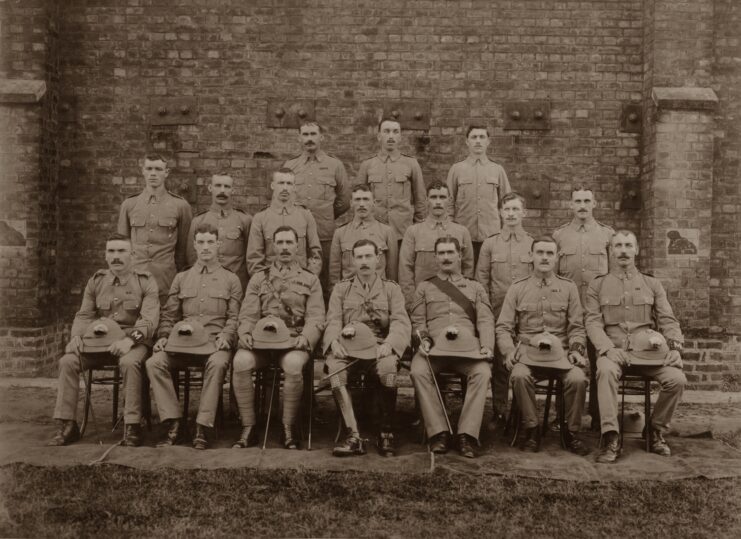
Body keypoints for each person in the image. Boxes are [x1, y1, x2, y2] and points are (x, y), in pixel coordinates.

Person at [48, 234, 159, 447]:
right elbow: (84, 315)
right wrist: (77, 337)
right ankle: (67, 424)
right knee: (67, 362)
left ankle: (132, 425)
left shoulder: (145, 281)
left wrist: (129, 341)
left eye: (121, 251)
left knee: (130, 362)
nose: (116, 257)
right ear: (106, 255)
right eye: (111, 252)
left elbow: (148, 321)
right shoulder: (97, 281)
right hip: (98, 342)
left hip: (131, 342)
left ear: (132, 255)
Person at [585, 230, 686, 463]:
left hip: (649, 354)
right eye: (618, 245)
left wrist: (675, 349)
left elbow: (668, 319)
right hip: (614, 352)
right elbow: (592, 323)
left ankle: (655, 429)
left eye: (628, 245)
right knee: (606, 371)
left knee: (677, 379)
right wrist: (608, 349)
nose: (623, 250)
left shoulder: (651, 283)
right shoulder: (598, 286)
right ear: (611, 251)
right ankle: (610, 435)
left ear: (636, 250)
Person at [146, 223, 242, 450]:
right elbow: (170, 314)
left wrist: (227, 336)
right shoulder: (181, 278)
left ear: (219, 245)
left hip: (212, 344)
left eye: (210, 242)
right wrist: (163, 336)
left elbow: (234, 317)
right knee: (154, 362)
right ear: (195, 245)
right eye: (201, 242)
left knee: (218, 364)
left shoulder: (231, 280)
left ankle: (203, 426)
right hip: (182, 345)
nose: (206, 247)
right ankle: (174, 423)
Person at [232, 225, 325, 449]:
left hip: (293, 341)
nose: (284, 248)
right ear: (273, 246)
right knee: (240, 361)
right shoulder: (259, 279)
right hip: (261, 343)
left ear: (297, 246)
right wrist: (244, 332)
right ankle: (249, 427)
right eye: (280, 243)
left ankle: (288, 427)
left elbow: (317, 317)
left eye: (289, 243)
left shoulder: (310, 279)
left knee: (293, 365)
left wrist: (307, 337)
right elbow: (248, 313)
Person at [495, 236, 590, 455]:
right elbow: (503, 327)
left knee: (577, 378)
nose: (544, 257)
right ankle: (532, 429)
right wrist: (509, 350)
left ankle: (571, 432)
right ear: (531, 256)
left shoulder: (568, 288)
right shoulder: (518, 288)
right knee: (519, 376)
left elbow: (577, 327)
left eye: (549, 253)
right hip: (528, 354)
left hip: (561, 354)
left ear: (557, 257)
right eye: (540, 253)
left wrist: (576, 350)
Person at [323, 239, 411, 457]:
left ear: (377, 259)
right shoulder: (342, 289)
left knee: (389, 369)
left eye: (368, 256)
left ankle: (386, 431)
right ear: (353, 260)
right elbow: (333, 319)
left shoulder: (391, 289)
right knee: (335, 372)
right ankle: (353, 435)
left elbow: (400, 321)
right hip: (348, 348)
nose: (364, 262)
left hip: (379, 348)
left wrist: (390, 343)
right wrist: (333, 341)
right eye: (359, 257)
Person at [409, 236, 494, 458]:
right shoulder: (425, 287)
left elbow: (485, 319)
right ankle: (439, 432)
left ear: (459, 255)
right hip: (435, 350)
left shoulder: (475, 288)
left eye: (450, 253)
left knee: (483, 372)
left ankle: (466, 434)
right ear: (435, 257)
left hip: (467, 351)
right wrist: (424, 340)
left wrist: (486, 346)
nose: (446, 257)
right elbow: (418, 322)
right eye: (442, 253)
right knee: (418, 370)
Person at [552, 186, 615, 428]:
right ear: (570, 205)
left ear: (594, 204)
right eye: (577, 201)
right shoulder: (559, 237)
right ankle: (564, 416)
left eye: (587, 200)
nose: (582, 205)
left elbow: (613, 276)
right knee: (565, 363)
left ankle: (600, 418)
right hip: (570, 312)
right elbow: (555, 277)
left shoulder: (607, 236)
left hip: (598, 312)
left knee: (601, 362)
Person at [475, 191, 533, 429]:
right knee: (500, 362)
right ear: (500, 212)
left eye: (515, 209)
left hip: (526, 312)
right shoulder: (490, 243)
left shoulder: (532, 243)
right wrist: (487, 313)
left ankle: (520, 413)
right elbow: (481, 280)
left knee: (524, 360)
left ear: (523, 213)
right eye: (507, 209)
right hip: (498, 311)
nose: (511, 214)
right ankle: (499, 411)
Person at [283, 121, 351, 299]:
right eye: (305, 135)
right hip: (298, 236)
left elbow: (345, 200)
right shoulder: (290, 166)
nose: (309, 139)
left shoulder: (334, 165)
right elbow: (284, 198)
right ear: (299, 138)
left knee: (326, 278)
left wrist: (328, 214)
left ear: (322, 137)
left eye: (313, 134)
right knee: (296, 279)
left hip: (324, 234)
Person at [117, 154, 193, 304]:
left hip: (166, 278)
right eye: (149, 168)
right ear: (143, 171)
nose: (153, 173)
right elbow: (121, 245)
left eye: (158, 169)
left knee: (165, 320)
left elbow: (184, 249)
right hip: (135, 276)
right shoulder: (129, 205)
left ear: (166, 173)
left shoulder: (180, 206)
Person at [399, 181, 474, 309]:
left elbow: (468, 268)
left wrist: (464, 298)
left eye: (442, 197)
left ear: (449, 200)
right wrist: (412, 303)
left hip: (455, 301)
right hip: (423, 301)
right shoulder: (413, 231)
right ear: (426, 200)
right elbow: (405, 271)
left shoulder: (462, 232)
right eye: (433, 197)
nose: (438, 202)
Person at [445, 125, 512, 263]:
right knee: (464, 273)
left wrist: (506, 230)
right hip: (463, 234)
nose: (478, 141)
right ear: (467, 141)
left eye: (482, 137)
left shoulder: (497, 170)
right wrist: (450, 229)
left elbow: (507, 203)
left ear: (488, 142)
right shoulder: (457, 169)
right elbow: (449, 202)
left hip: (492, 235)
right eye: (474, 137)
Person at [356, 117, 426, 240]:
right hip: (374, 232)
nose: (391, 136)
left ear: (400, 137)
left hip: (403, 233)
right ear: (379, 136)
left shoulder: (411, 164)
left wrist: (417, 229)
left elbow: (420, 200)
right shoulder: (367, 165)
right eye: (386, 131)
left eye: (395, 132)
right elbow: (358, 201)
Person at [246, 168, 322, 277]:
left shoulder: (306, 216)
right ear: (273, 185)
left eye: (289, 183)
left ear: (294, 187)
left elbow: (316, 254)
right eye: (281, 183)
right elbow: (254, 259)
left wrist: (308, 280)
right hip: (269, 283)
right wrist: (266, 284)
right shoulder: (260, 218)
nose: (285, 188)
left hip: (301, 283)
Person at [187, 173, 252, 290]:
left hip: (236, 286)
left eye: (227, 187)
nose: (222, 190)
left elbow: (251, 256)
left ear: (233, 190)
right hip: (206, 285)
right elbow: (192, 258)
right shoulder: (198, 221)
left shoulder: (245, 220)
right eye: (218, 185)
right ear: (210, 188)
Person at [328, 184, 398, 287]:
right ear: (351, 203)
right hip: (349, 295)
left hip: (379, 294)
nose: (361, 204)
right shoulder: (340, 233)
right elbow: (334, 274)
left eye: (366, 199)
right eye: (357, 200)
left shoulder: (387, 232)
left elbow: (392, 273)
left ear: (373, 202)